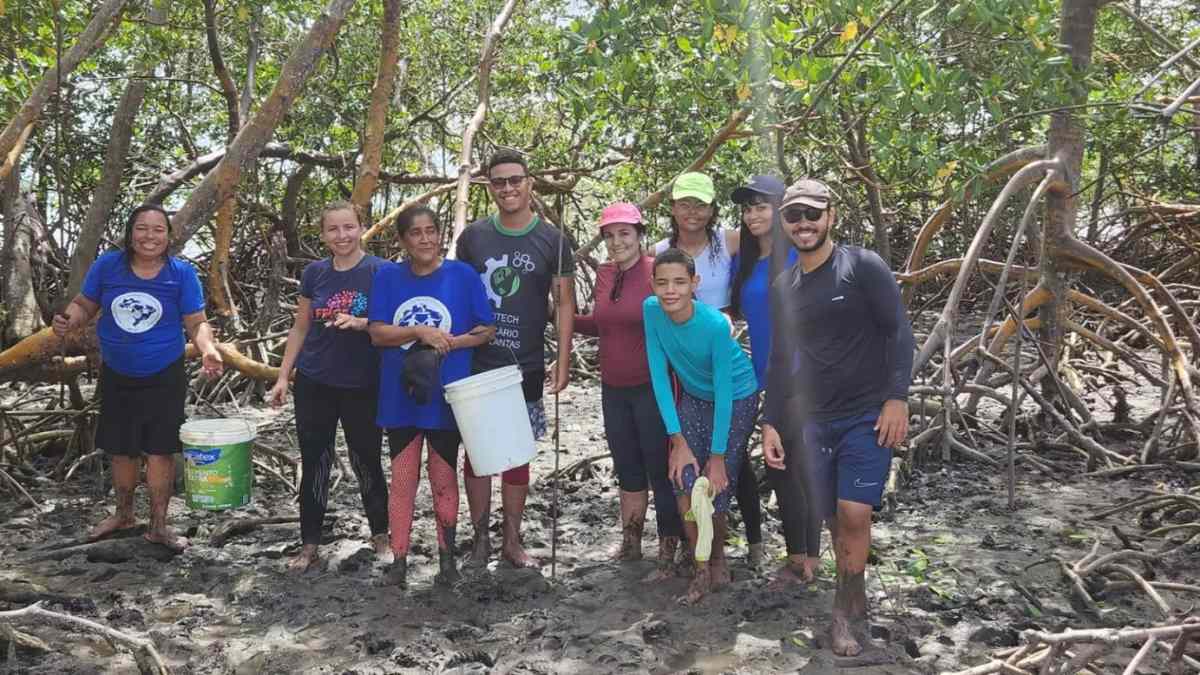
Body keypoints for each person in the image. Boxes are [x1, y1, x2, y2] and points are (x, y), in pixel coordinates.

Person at [761, 179, 914, 656]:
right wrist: (769, 421)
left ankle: (840, 617)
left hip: (867, 414)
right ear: (784, 225)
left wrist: (898, 398)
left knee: (854, 511)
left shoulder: (862, 266)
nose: (804, 223)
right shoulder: (784, 287)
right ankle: (856, 596)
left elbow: (899, 332)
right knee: (831, 515)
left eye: (813, 213)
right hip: (814, 418)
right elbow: (783, 361)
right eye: (794, 216)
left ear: (831, 216)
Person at [52, 204, 224, 552]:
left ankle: (159, 525)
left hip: (164, 373)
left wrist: (208, 349)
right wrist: (69, 319)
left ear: (168, 236)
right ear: (131, 233)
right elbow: (86, 303)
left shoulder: (181, 274)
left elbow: (196, 321)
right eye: (142, 229)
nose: (150, 236)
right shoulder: (108, 265)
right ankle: (124, 515)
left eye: (158, 229)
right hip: (117, 372)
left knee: (160, 452)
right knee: (121, 451)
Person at [455, 149, 575, 569]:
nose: (508, 188)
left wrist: (563, 360)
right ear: (490, 186)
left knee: (516, 454)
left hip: (524, 363)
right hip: (477, 362)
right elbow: (459, 295)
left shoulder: (553, 240)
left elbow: (563, 303)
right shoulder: (472, 237)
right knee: (477, 453)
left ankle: (512, 540)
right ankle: (479, 541)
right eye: (499, 181)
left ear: (530, 183)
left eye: (515, 180)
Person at [367, 206, 496, 588]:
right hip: (401, 392)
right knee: (403, 477)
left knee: (444, 475)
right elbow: (377, 333)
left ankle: (447, 560)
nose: (425, 239)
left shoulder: (462, 275)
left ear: (440, 234)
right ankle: (400, 559)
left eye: (431, 231)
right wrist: (420, 331)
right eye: (416, 233)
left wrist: (453, 342)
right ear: (403, 241)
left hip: (447, 392)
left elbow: (486, 329)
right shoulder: (388, 277)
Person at [269, 201, 389, 573]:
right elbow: (301, 327)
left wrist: (361, 322)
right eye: (333, 229)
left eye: (349, 227)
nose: (342, 236)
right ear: (323, 235)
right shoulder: (314, 274)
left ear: (361, 228)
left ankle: (382, 536)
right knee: (315, 462)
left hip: (363, 383)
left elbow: (392, 324)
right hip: (315, 381)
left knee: (365, 460)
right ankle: (309, 546)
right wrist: (283, 376)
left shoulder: (381, 272)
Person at [652, 170, 765, 567]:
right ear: (672, 208)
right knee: (687, 461)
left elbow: (765, 254)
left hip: (723, 352)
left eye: (700, 204)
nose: (692, 212)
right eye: (685, 203)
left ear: (713, 209)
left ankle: (749, 542)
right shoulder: (662, 250)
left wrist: (734, 312)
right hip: (687, 366)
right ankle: (695, 547)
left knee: (731, 465)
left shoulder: (729, 240)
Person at [644, 248, 759, 604]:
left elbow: (724, 392)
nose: (670, 291)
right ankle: (701, 567)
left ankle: (718, 557)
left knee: (716, 486)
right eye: (662, 283)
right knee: (684, 483)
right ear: (653, 285)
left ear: (695, 283)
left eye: (679, 282)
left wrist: (719, 455)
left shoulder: (712, 325)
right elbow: (659, 376)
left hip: (736, 397)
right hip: (692, 398)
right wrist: (676, 439)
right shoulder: (651, 311)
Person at [574, 202, 683, 571]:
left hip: (653, 388)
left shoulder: (658, 270)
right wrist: (565, 318)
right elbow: (605, 323)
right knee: (627, 466)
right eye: (609, 235)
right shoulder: (605, 274)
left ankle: (669, 545)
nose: (616, 241)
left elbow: (684, 317)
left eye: (624, 233)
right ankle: (631, 542)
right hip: (612, 388)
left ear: (640, 235)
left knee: (660, 467)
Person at [729, 175, 820, 586]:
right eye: (747, 208)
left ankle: (806, 559)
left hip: (805, 375)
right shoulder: (744, 262)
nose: (752, 215)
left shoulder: (798, 256)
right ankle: (800, 556)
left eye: (762, 206)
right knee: (783, 467)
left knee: (797, 467)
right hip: (768, 375)